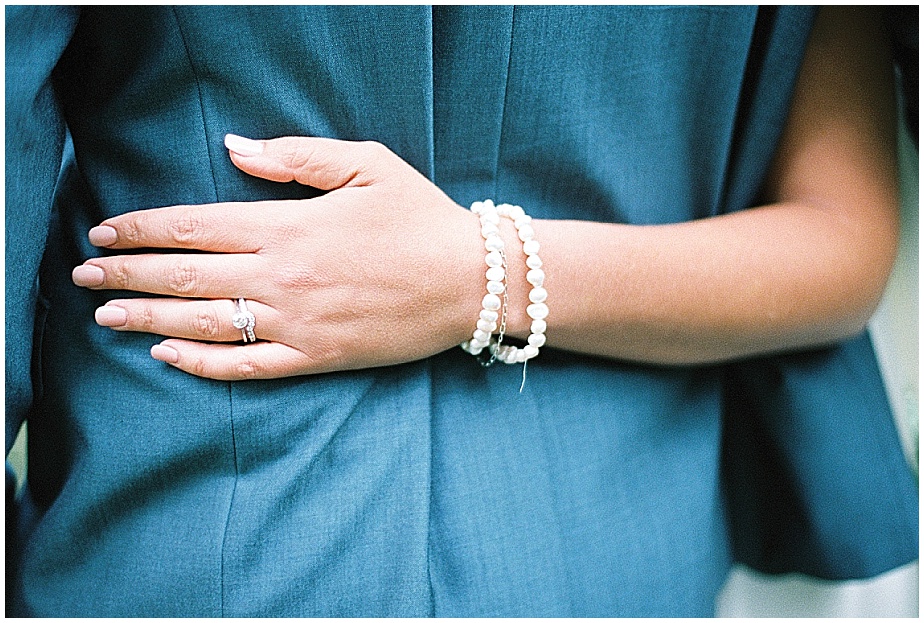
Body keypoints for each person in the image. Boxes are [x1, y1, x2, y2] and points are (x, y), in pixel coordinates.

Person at [6, 5, 917, 617]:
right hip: (614, 542)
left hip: (221, 540)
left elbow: (845, 235)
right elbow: (842, 236)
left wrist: (475, 275)